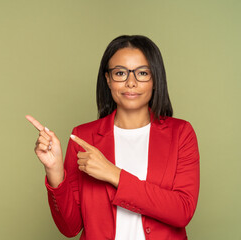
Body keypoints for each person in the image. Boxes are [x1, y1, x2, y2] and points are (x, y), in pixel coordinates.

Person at [26, 35, 200, 240]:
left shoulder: (181, 133)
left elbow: (182, 211)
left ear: (155, 79)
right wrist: (54, 171)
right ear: (108, 79)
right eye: (120, 73)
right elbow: (70, 227)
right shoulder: (83, 137)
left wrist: (113, 173)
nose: (131, 83)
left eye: (142, 73)